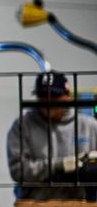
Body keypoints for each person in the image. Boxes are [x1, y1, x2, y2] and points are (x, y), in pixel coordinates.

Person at [8, 71, 97, 200]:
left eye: (54, 96)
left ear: (68, 96)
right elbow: (18, 171)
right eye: (43, 96)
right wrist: (59, 166)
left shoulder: (89, 126)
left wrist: (86, 166)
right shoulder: (23, 125)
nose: (48, 102)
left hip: (80, 206)